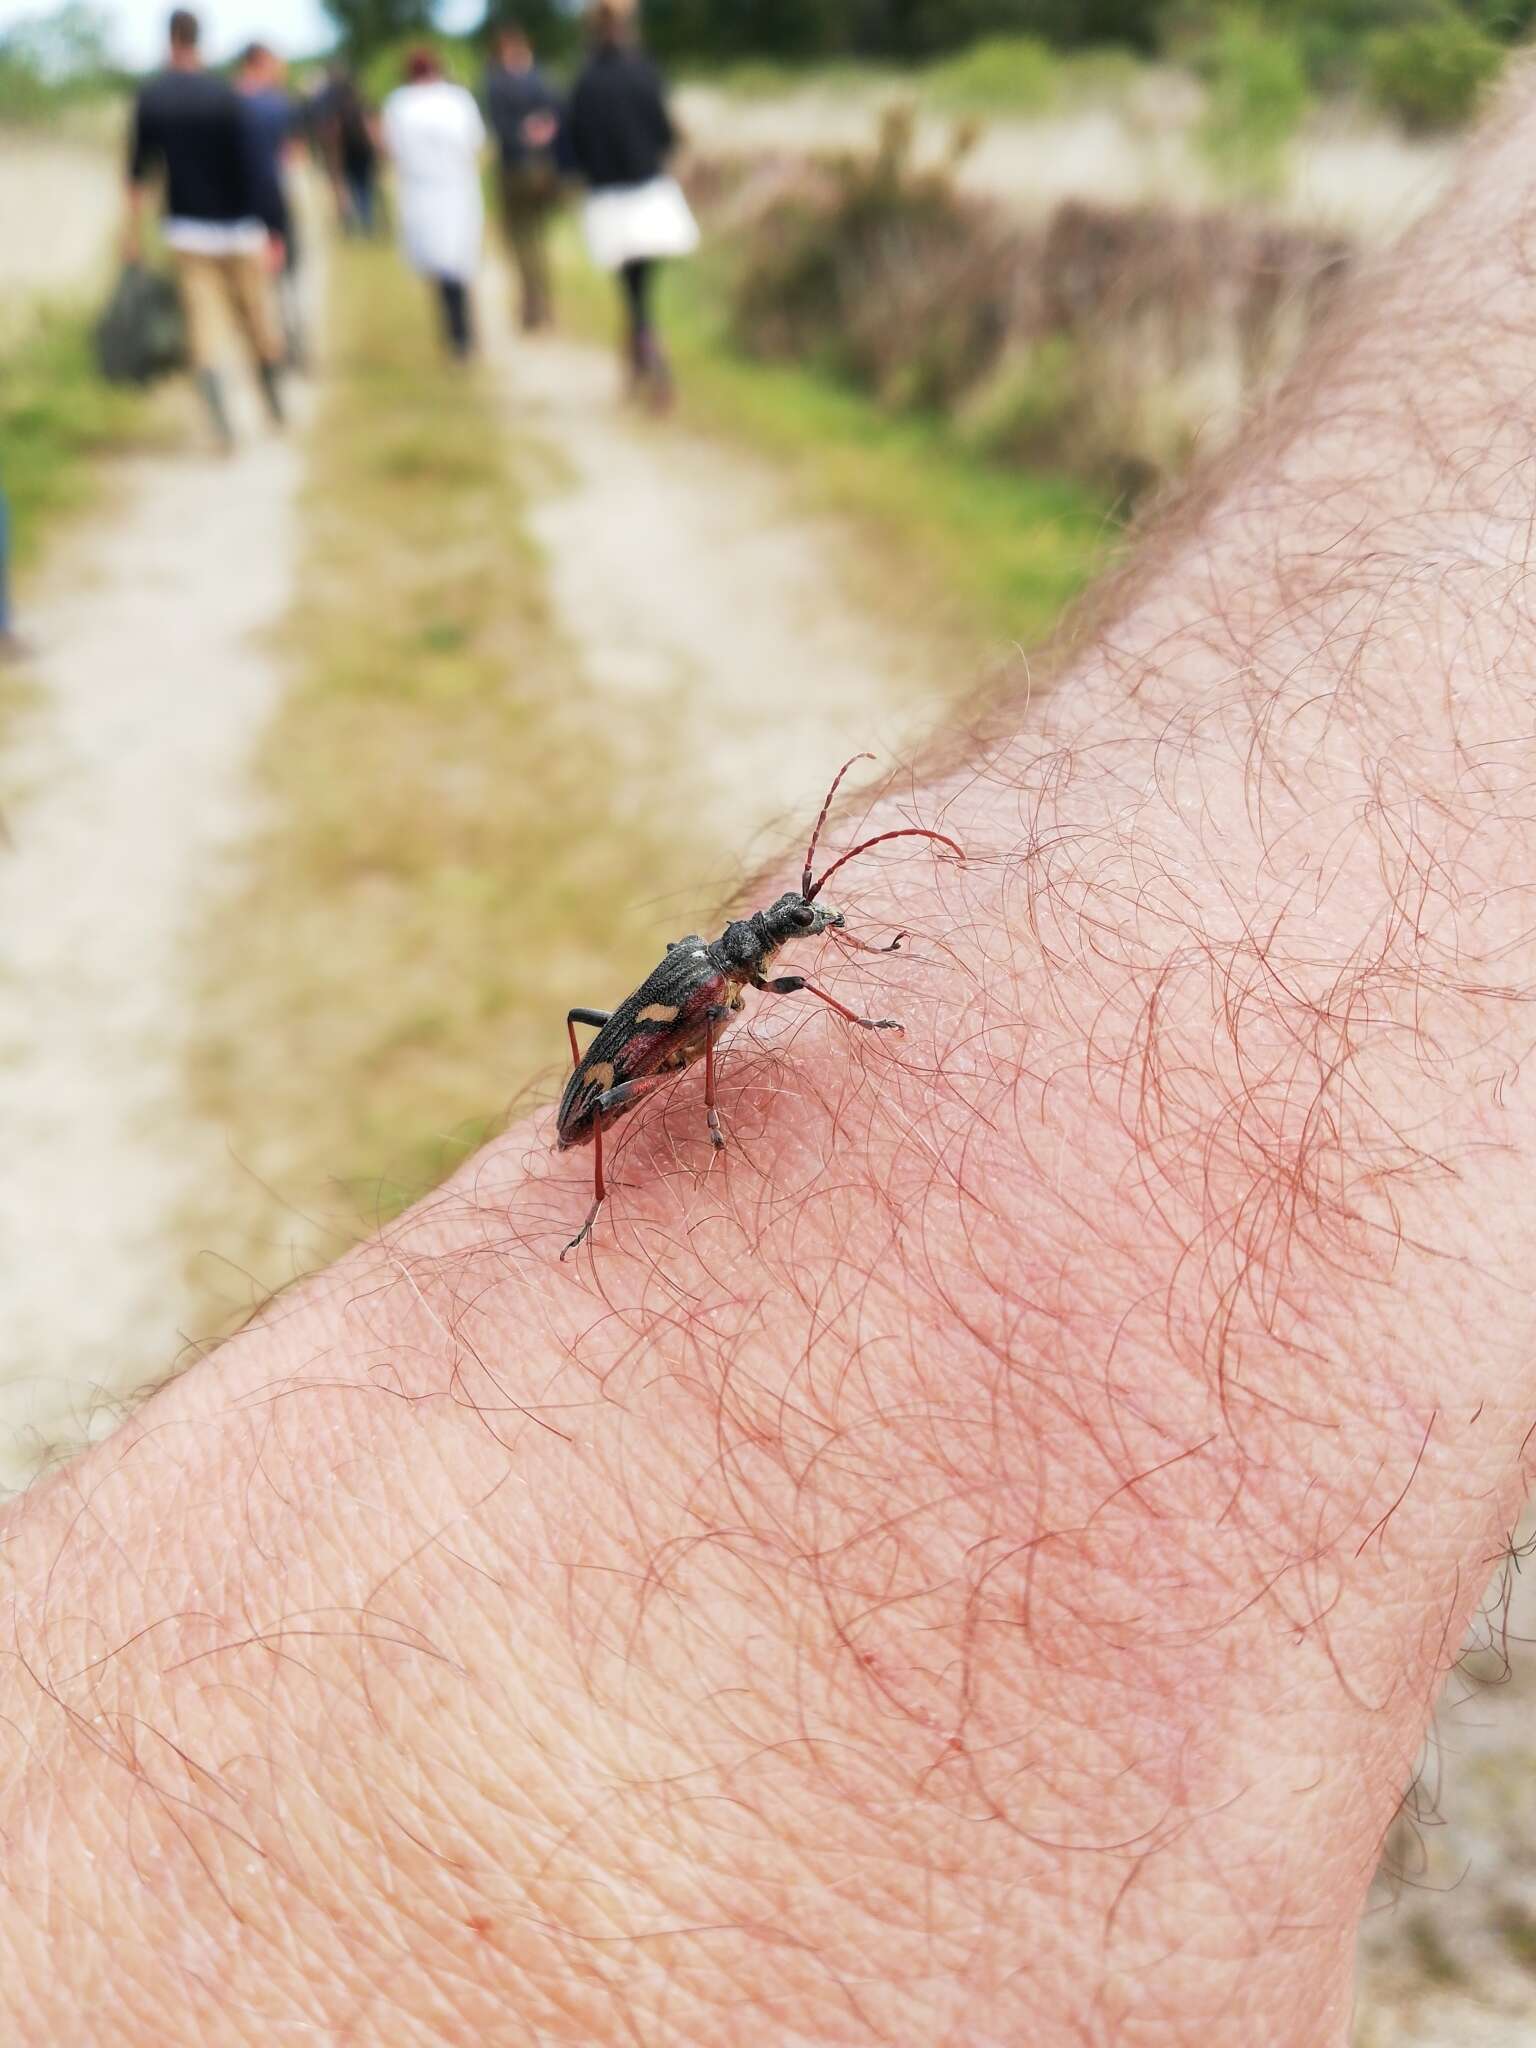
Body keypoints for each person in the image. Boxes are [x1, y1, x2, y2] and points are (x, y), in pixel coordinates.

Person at [13, 64, 1536, 2048]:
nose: (791, 954)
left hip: (654, 1045)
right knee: (656, 1069)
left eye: (785, 946)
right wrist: (672, 1084)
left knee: (688, 1047)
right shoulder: (706, 1011)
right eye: (787, 941)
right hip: (623, 1089)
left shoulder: (737, 969)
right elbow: (701, 1032)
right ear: (753, 959)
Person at [126, 7, 285, 452]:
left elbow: (137, 174)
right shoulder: (227, 96)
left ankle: (222, 426)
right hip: (239, 229)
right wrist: (273, 228)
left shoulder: (152, 97)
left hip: (187, 233)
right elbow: (258, 171)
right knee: (258, 319)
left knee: (204, 330)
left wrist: (131, 236)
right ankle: (272, 401)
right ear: (199, 40)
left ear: (168, 39)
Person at [561, 0, 696, 409]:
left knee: (634, 293)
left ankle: (646, 353)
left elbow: (571, 147)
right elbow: (667, 134)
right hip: (649, 195)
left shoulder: (584, 81)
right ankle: (642, 354)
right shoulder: (645, 72)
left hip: (609, 201)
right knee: (641, 287)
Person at [381, 49, 487, 362]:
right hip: (454, 188)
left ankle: (458, 334)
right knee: (458, 262)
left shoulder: (400, 104)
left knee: (443, 267)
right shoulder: (457, 99)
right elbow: (476, 142)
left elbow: (391, 150)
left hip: (425, 192)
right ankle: (463, 333)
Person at [483, 21, 562, 332]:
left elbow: (500, 127)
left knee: (520, 240)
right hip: (540, 166)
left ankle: (533, 305)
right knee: (538, 239)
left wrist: (524, 135)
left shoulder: (496, 82)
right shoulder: (539, 79)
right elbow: (555, 116)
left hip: (515, 168)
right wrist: (540, 134)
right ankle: (542, 303)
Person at [235, 41, 304, 369]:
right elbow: (285, 160)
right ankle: (287, 349)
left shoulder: (229, 102)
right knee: (284, 282)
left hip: (237, 214)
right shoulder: (274, 106)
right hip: (269, 207)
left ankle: (267, 348)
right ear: (260, 63)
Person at [313, 65, 380, 237]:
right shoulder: (362, 102)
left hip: (347, 152)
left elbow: (331, 131)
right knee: (364, 186)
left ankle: (355, 220)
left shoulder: (332, 104)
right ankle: (367, 220)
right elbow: (372, 126)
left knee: (351, 186)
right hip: (364, 151)